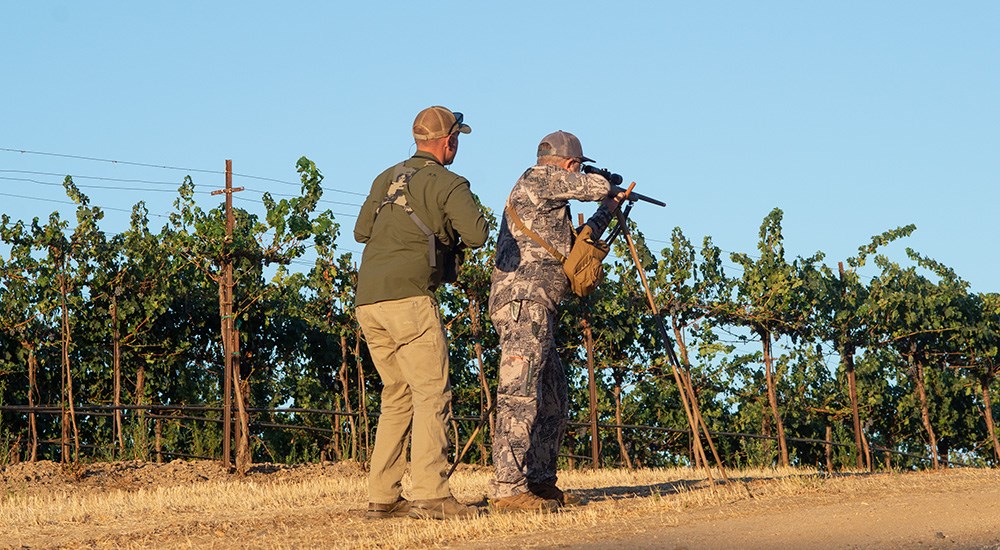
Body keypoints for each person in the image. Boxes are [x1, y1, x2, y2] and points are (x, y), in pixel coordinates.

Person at [354, 106, 490, 520]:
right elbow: (479, 235)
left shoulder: (386, 176)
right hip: (410, 300)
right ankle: (431, 493)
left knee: (396, 397)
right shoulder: (449, 182)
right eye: (457, 139)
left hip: (368, 301)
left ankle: (382, 496)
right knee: (433, 394)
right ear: (449, 141)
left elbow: (362, 232)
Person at [489, 130, 624, 511]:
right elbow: (593, 185)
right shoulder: (538, 178)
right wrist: (606, 184)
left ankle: (539, 480)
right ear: (568, 165)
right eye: (577, 167)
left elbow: (575, 246)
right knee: (519, 394)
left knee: (552, 396)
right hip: (523, 303)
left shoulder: (551, 204)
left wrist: (609, 211)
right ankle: (508, 488)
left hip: (539, 306)